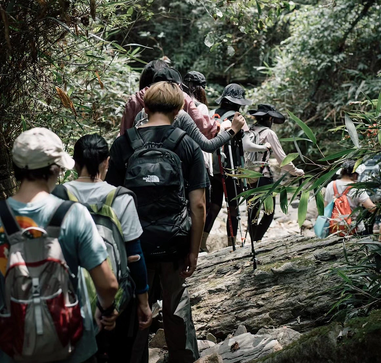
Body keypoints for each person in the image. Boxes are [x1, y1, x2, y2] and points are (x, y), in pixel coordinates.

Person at [107, 82, 208, 363]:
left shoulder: (123, 143)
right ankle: (184, 358)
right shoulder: (187, 144)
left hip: (134, 242)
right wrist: (193, 249)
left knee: (136, 308)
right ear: (178, 110)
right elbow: (198, 205)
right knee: (176, 303)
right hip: (174, 241)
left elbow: (112, 199)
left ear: (145, 107)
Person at [0, 127, 119, 363]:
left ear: (16, 168)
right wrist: (106, 310)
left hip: (13, 349)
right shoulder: (73, 214)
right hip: (74, 347)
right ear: (56, 169)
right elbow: (108, 285)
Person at [53, 134, 152, 363]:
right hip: (113, 299)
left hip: (68, 298)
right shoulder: (121, 198)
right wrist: (143, 302)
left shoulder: (58, 196)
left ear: (75, 163)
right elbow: (135, 255)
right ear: (106, 162)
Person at [202, 84, 267, 250]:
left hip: (213, 167)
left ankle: (202, 242)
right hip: (231, 169)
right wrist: (263, 147)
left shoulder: (212, 114)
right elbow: (246, 145)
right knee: (233, 207)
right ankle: (232, 244)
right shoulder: (237, 118)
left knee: (214, 206)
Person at [246, 104, 305, 242]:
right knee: (269, 211)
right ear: (270, 118)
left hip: (247, 176)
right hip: (263, 177)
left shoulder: (249, 130)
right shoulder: (269, 133)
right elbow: (282, 158)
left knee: (252, 210)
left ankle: (253, 241)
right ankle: (257, 239)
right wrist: (295, 171)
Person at [119, 60, 219, 139]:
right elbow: (205, 128)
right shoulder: (180, 96)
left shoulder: (134, 100)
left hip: (139, 155)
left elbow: (124, 134)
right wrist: (220, 127)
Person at [324, 159, 376, 235]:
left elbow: (326, 208)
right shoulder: (357, 188)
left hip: (335, 227)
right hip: (354, 228)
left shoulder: (331, 185)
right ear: (355, 175)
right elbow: (371, 208)